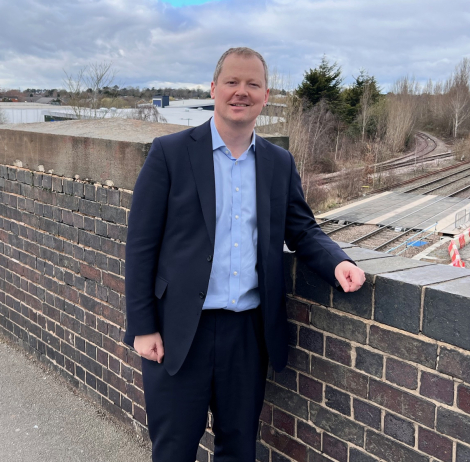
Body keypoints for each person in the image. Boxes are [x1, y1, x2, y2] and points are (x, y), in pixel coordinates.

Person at [124, 47, 366, 462]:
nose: (242, 92)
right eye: (232, 82)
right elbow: (140, 244)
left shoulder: (278, 162)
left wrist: (338, 262)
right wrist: (143, 326)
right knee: (173, 450)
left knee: (238, 450)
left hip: (248, 335)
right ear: (213, 89)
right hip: (180, 331)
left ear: (266, 95)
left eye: (252, 84)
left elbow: (302, 228)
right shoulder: (169, 153)